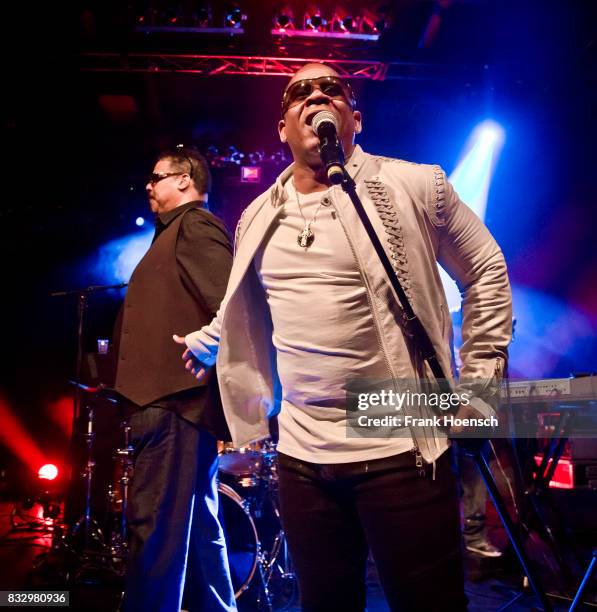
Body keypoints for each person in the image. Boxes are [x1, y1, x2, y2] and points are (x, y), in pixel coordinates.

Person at [174, 64, 512, 611]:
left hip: (399, 434)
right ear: (282, 127)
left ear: (354, 117)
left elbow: (487, 269)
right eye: (298, 92)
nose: (315, 96)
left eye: (332, 88)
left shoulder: (417, 186)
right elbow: (253, 304)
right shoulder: (258, 215)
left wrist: (479, 384)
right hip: (303, 451)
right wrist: (212, 342)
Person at [114, 145, 236, 612]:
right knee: (197, 533)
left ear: (185, 180)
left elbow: (231, 304)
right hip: (171, 404)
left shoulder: (196, 225)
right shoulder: (171, 233)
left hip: (174, 401)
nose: (148, 185)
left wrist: (211, 347)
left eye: (157, 176)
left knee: (157, 532)